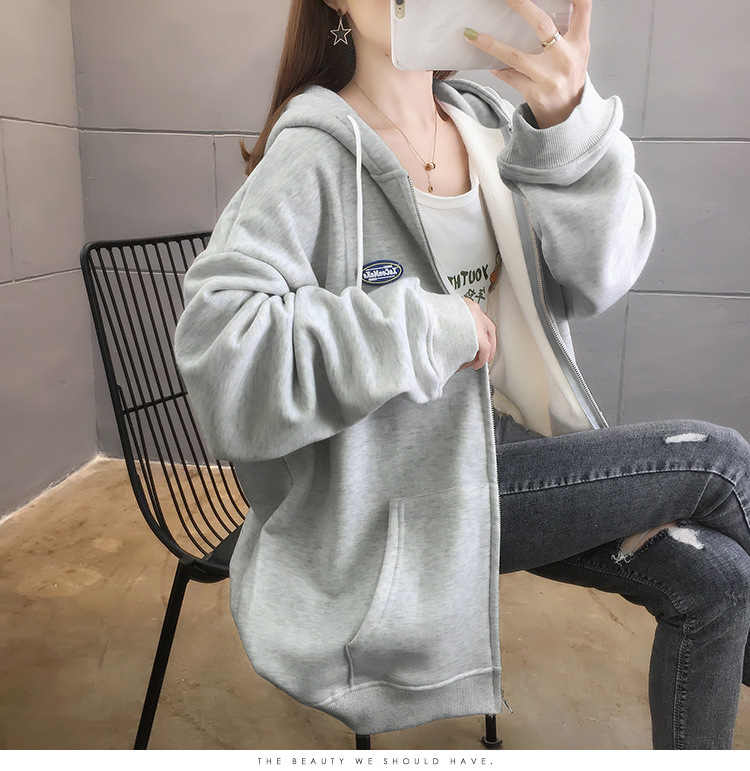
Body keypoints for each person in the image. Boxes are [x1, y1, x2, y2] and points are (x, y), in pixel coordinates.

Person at [173, 0, 750, 750]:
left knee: (719, 579)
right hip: (400, 492)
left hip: (500, 445)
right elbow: (223, 352)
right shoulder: (314, 154)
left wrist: (567, 123)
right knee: (719, 461)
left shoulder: (487, 125)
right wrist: (423, 325)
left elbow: (598, 278)